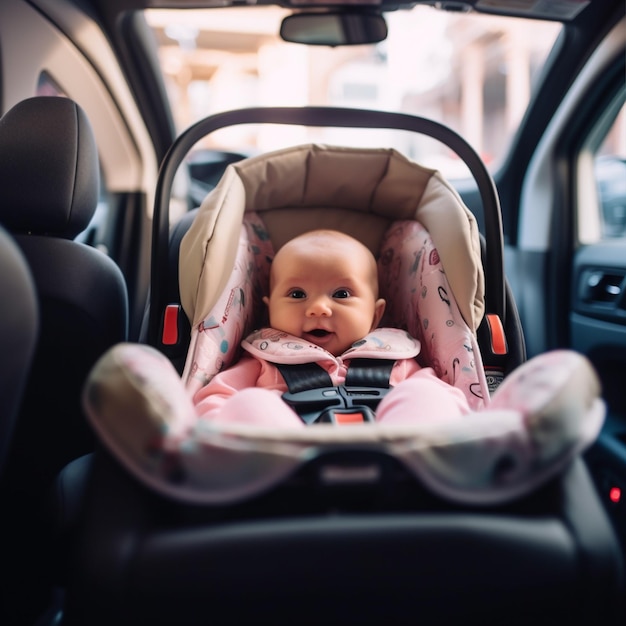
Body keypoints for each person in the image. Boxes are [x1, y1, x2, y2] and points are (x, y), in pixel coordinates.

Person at [192, 228, 471, 428]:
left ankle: (423, 467)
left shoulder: (395, 359)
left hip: (392, 454)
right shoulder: (263, 361)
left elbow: (446, 401)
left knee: (426, 395)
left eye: (341, 294)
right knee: (249, 404)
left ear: (376, 316)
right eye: (297, 294)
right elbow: (214, 399)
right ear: (269, 309)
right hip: (286, 458)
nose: (319, 308)